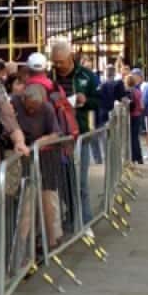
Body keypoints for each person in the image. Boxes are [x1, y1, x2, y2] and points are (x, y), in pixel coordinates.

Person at [48, 39, 99, 219]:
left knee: (81, 181)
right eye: (55, 62)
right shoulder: (50, 77)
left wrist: (86, 101)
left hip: (80, 136)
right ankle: (71, 215)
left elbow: (100, 101)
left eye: (61, 61)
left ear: (70, 56)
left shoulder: (86, 76)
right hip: (58, 138)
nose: (58, 65)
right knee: (63, 181)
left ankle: (85, 219)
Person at [14, 84, 63, 247]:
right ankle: (24, 243)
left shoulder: (47, 108)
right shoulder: (15, 103)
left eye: (35, 108)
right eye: (29, 107)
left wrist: (39, 143)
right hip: (25, 157)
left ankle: (52, 238)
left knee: (48, 197)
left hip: (46, 155)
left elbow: (55, 133)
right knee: (27, 200)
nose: (31, 111)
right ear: (23, 99)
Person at [125, 72, 145, 165]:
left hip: (128, 116)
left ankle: (132, 157)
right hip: (137, 116)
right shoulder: (138, 92)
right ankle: (139, 157)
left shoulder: (126, 92)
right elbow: (141, 106)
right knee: (135, 137)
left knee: (129, 137)